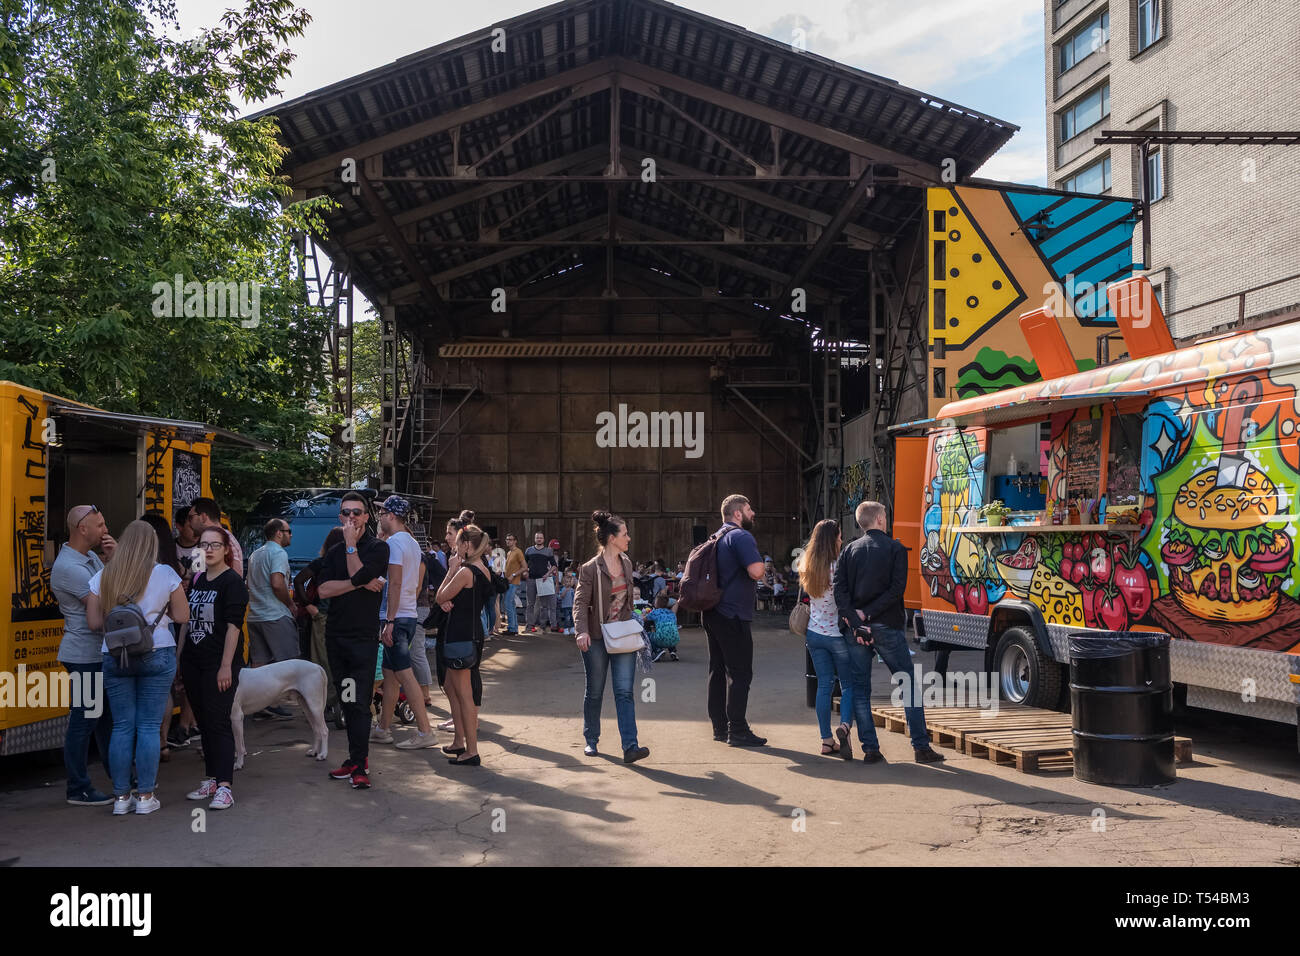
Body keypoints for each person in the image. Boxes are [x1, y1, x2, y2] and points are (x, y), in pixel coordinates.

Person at [86, 520, 189, 815]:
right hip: (157, 651)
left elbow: (94, 623)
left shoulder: (104, 575)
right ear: (151, 544)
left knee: (121, 726)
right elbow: (182, 616)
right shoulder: (164, 573)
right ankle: (145, 797)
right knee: (147, 726)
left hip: (115, 655)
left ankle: (120, 799)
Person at [833, 501, 945, 764]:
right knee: (908, 686)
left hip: (856, 630)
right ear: (881, 519)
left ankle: (870, 750)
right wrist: (869, 614)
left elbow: (839, 591)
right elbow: (897, 589)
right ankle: (921, 747)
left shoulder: (849, 550)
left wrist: (855, 619)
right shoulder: (895, 548)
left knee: (861, 689)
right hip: (887, 626)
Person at [316, 491, 389, 789]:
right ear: (340, 516)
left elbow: (360, 572)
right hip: (337, 637)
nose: (351, 518)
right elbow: (322, 591)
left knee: (359, 702)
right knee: (347, 701)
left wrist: (350, 548)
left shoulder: (377, 549)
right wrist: (355, 583)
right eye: (346, 512)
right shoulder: (333, 554)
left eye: (357, 512)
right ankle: (354, 758)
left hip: (363, 639)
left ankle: (360, 764)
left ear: (367, 516)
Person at [51, 505, 117, 806]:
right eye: (100, 525)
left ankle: (118, 777)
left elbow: (111, 587)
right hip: (82, 655)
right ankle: (77, 788)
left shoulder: (89, 557)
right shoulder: (69, 568)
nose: (105, 530)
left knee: (103, 719)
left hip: (93, 652)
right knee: (84, 721)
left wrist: (112, 559)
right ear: (83, 528)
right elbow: (107, 601)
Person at [179, 525, 248, 809]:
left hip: (219, 663)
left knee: (219, 722)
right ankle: (211, 778)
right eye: (203, 544)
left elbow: (233, 627)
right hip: (194, 661)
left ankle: (225, 786)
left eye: (214, 545)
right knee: (204, 722)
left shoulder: (232, 582)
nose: (208, 550)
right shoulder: (196, 579)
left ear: (226, 549)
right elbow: (186, 622)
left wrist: (225, 666)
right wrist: (178, 659)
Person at [573, 511, 650, 764]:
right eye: (625, 533)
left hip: (622, 636)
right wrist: (581, 630)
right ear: (612, 538)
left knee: (624, 692)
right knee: (594, 691)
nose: (628, 537)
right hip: (596, 637)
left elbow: (627, 600)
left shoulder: (627, 563)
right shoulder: (590, 569)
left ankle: (631, 746)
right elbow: (580, 603)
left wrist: (634, 619)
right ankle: (591, 739)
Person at [370, 495, 439, 750]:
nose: (378, 517)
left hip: (397, 618)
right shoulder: (409, 542)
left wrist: (388, 619)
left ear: (391, 516)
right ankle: (383, 729)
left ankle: (425, 731)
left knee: (403, 673)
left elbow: (395, 583)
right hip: (405, 616)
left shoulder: (396, 544)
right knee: (390, 675)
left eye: (381, 513)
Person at [703, 494, 767, 747]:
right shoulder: (741, 536)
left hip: (713, 612)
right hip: (733, 614)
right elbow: (756, 571)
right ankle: (738, 730)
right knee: (740, 673)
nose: (753, 513)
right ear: (737, 513)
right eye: (749, 509)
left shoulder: (716, 537)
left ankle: (720, 727)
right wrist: (761, 565)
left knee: (717, 669)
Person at [434, 522, 496, 766]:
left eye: (459, 542)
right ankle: (460, 741)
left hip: (462, 636)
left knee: (463, 693)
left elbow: (440, 596)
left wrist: (451, 570)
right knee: (452, 686)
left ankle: (471, 750)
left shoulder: (466, 571)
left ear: (467, 545)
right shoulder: (482, 569)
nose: (455, 547)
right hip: (469, 633)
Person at [797, 519, 855, 759]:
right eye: (840, 536)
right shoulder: (838, 567)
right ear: (833, 539)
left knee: (824, 686)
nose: (841, 539)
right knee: (849, 685)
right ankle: (844, 726)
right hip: (836, 635)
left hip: (814, 633)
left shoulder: (807, 565)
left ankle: (826, 740)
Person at [140, 513, 194, 760]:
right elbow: (183, 607)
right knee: (164, 690)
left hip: (133, 634)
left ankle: (147, 746)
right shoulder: (173, 562)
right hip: (166, 631)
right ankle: (162, 742)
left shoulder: (131, 563)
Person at [294, 528, 345, 725]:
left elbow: (299, 581)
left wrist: (308, 605)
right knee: (336, 663)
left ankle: (326, 705)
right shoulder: (346, 565)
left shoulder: (321, 563)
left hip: (322, 618)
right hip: (336, 618)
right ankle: (339, 704)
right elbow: (299, 581)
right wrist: (309, 605)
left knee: (322, 663)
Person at [245, 519, 300, 683]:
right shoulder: (278, 553)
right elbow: (277, 583)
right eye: (288, 531)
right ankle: (281, 703)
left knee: (259, 664)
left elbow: (248, 583)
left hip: (255, 616)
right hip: (275, 616)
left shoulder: (255, 554)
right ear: (278, 533)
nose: (291, 535)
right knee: (288, 663)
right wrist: (290, 604)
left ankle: (258, 703)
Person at [188, 497, 243, 575]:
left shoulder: (226, 540)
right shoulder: (203, 542)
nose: (188, 523)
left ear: (203, 517)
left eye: (190, 517)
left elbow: (235, 580)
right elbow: (197, 575)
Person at [524, 531, 557, 633]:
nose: (539, 539)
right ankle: (529, 626)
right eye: (537, 538)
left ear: (543, 539)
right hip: (531, 580)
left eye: (541, 538)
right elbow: (524, 563)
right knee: (530, 604)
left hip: (543, 580)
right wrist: (525, 572)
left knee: (544, 605)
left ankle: (542, 626)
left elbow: (554, 565)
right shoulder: (529, 550)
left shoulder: (548, 551)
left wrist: (547, 574)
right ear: (535, 539)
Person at [646, 592, 679, 663]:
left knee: (648, 635)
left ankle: (658, 651)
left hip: (661, 640)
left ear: (656, 603)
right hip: (675, 640)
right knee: (669, 632)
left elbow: (644, 618)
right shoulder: (671, 613)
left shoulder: (655, 612)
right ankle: (672, 651)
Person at [502, 533, 525, 635]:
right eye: (507, 539)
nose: (508, 541)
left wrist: (514, 575)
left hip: (514, 582)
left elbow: (525, 567)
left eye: (510, 539)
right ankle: (514, 628)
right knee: (510, 604)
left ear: (515, 541)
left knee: (508, 603)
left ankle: (512, 628)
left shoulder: (518, 552)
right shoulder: (508, 553)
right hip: (507, 582)